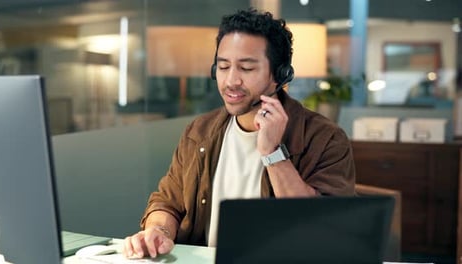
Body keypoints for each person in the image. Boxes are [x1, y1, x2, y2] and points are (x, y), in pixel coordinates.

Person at [123, 8, 356, 259]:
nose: (231, 81)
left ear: (280, 75)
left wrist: (273, 154)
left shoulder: (325, 138)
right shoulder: (199, 131)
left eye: (246, 68)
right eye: (223, 67)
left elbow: (322, 231)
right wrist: (159, 231)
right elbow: (168, 202)